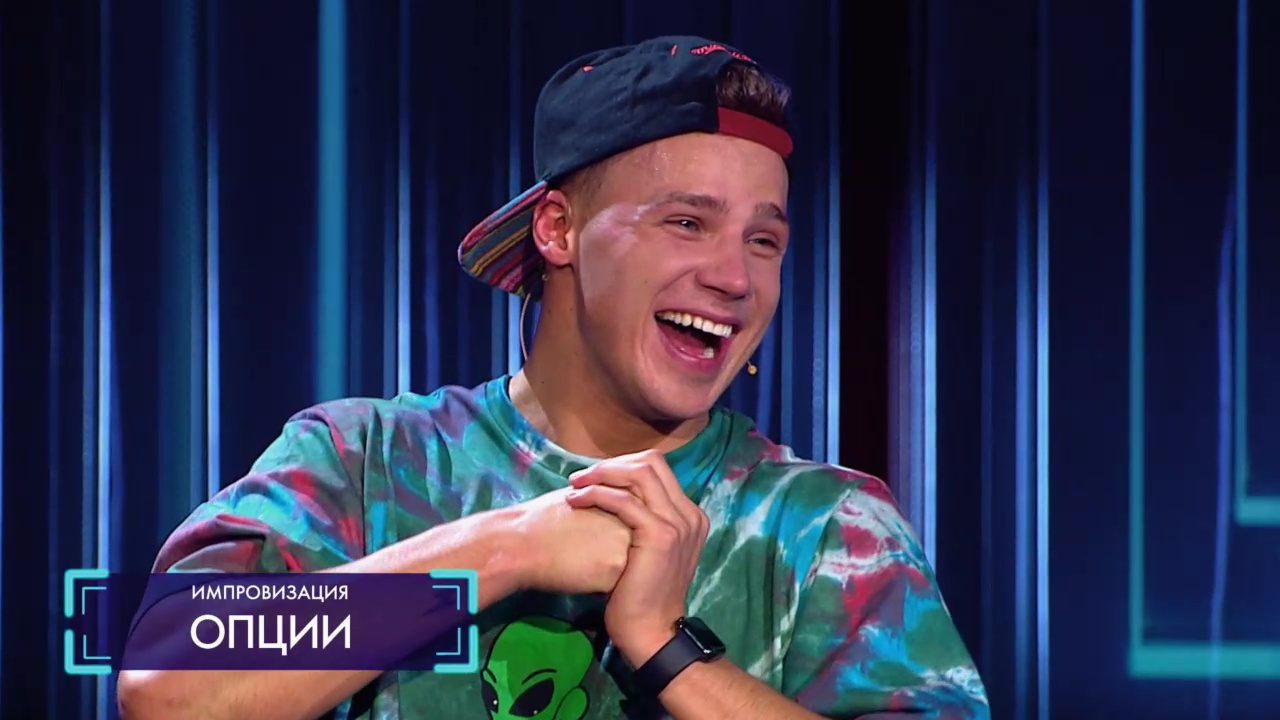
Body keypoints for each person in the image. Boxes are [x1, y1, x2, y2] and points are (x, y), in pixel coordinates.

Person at [117, 35, 989, 720]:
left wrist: (668, 649)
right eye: (687, 223)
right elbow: (164, 687)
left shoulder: (831, 526)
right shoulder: (363, 460)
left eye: (763, 240)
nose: (735, 278)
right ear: (557, 231)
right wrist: (508, 549)